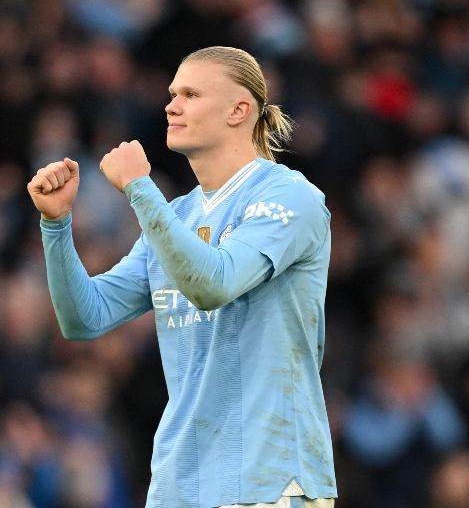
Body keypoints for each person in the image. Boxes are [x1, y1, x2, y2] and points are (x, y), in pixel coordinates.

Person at [28, 46, 336, 508]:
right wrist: (56, 226)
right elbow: (85, 318)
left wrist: (138, 187)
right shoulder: (177, 216)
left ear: (239, 110)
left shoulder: (290, 197)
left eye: (191, 94)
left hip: (267, 480)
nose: (171, 105)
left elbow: (213, 284)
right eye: (173, 93)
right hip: (180, 486)